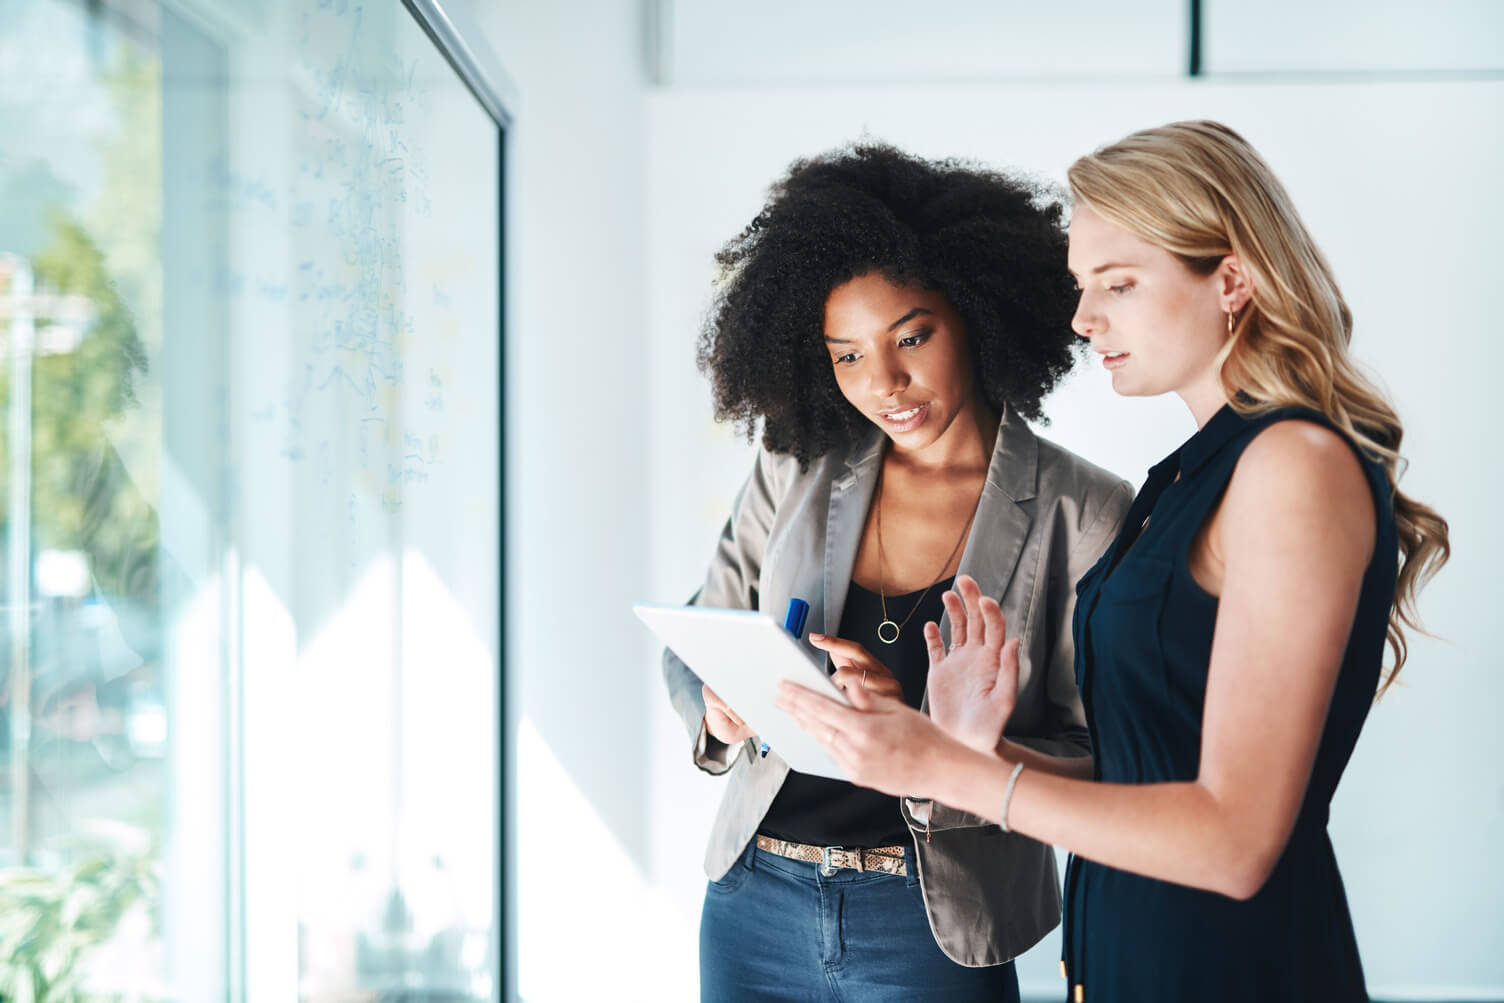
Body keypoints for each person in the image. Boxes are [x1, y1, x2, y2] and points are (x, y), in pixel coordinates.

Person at [776, 120, 1452, 1003]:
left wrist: (944, 770)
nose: (1084, 318)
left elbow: (1234, 841)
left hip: (1234, 970)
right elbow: (1143, 769)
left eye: (1119, 285)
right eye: (1081, 286)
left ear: (1233, 280)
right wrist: (977, 741)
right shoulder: (1186, 477)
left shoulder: (1293, 465)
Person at [661, 143, 1133, 1001]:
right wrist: (721, 713)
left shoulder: (1085, 511)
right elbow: (697, 637)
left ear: (977, 313)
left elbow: (1104, 755)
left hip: (932, 921)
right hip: (753, 899)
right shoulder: (795, 466)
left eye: (911, 336)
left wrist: (930, 731)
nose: (884, 383)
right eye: (847, 355)